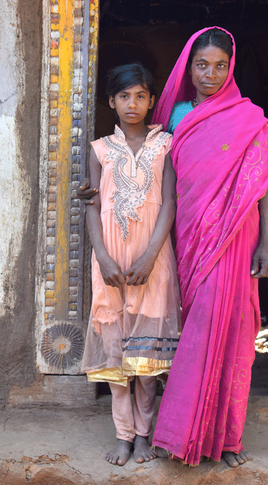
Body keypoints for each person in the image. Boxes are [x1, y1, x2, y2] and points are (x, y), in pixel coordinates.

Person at [149, 27, 268, 467]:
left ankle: (226, 439)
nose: (210, 74)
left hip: (235, 237)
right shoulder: (174, 116)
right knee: (196, 328)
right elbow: (157, 179)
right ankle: (181, 434)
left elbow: (262, 185)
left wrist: (265, 242)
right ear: (189, 67)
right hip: (190, 237)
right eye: (201, 65)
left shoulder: (248, 117)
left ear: (231, 69)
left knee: (233, 333)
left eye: (219, 66)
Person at [80, 63, 180, 467]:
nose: (132, 104)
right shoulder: (100, 148)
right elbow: (93, 207)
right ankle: (122, 435)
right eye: (124, 96)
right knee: (117, 357)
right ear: (111, 102)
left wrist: (153, 254)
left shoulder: (167, 145)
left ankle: (143, 437)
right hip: (110, 263)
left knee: (146, 361)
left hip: (153, 262)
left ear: (152, 100)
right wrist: (102, 257)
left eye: (140, 96)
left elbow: (170, 203)